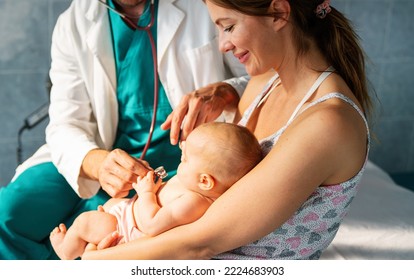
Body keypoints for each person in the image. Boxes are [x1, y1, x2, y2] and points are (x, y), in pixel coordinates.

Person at [82, 0, 373, 260]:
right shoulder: (264, 82)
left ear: (279, 13)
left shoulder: (328, 123)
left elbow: (199, 243)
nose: (223, 44)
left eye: (229, 27)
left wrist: (97, 263)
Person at [0, 0, 248, 260]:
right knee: (8, 216)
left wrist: (227, 92)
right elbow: (65, 122)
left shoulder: (204, 5)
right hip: (92, 153)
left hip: (183, 163)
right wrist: (99, 164)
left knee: (108, 234)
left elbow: (262, 75)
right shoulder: (74, 22)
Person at [49, 122, 262, 260]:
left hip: (128, 232)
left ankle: (66, 251)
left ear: (205, 181)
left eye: (185, 158)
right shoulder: (194, 184)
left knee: (85, 222)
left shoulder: (194, 202)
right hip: (130, 214)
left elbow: (152, 225)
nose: (181, 151)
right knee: (111, 204)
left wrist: (147, 193)